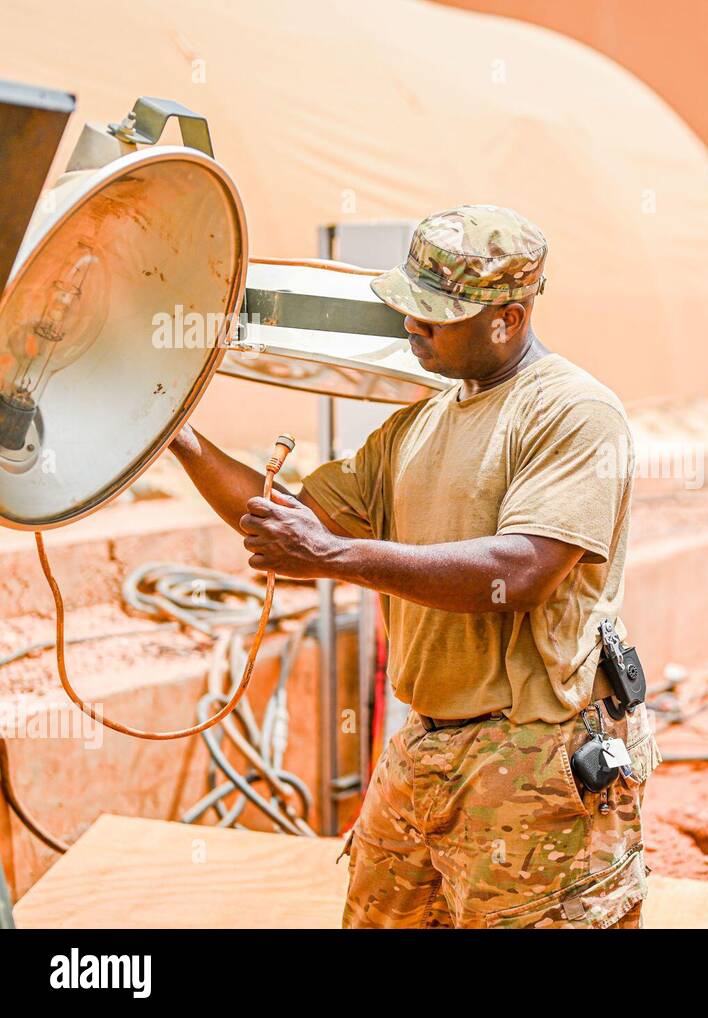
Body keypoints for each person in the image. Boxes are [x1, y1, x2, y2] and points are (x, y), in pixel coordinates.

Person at [171, 204, 658, 928]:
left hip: (531, 755)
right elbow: (286, 520)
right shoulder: (418, 423)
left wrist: (336, 557)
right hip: (426, 745)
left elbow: (521, 570)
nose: (411, 328)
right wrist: (171, 431)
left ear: (510, 318)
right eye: (409, 308)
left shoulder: (573, 412)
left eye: (435, 316)